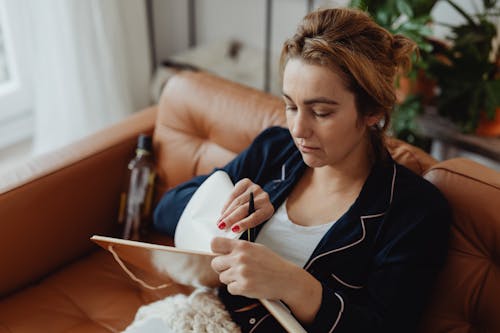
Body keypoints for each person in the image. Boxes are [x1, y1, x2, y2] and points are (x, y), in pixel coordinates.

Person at [153, 7, 451, 333]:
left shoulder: (413, 210)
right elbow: (166, 210)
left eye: (321, 112)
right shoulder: (275, 150)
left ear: (372, 111)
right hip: (204, 318)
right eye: (291, 106)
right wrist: (231, 205)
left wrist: (298, 287)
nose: (298, 128)